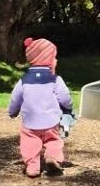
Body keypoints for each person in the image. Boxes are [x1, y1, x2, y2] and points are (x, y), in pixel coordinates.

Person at [7, 36, 73, 178]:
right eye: (54, 57)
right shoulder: (55, 79)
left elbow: (15, 98)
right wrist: (68, 107)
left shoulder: (24, 80)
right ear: (48, 58)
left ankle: (32, 166)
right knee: (53, 140)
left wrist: (13, 111)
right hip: (51, 121)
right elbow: (65, 96)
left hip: (30, 122)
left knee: (29, 143)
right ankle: (52, 158)